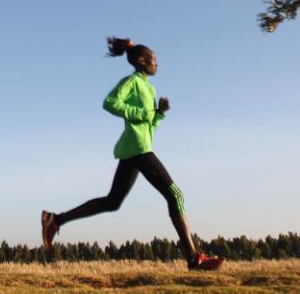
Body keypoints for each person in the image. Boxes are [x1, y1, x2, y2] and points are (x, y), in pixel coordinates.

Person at [40, 37, 224, 271]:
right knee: (175, 195)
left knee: (112, 202)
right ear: (141, 60)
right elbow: (110, 103)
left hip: (137, 146)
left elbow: (149, 125)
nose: (157, 63)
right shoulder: (132, 81)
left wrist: (158, 113)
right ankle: (193, 257)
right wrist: (143, 113)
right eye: (153, 59)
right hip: (138, 148)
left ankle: (55, 220)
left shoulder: (149, 87)